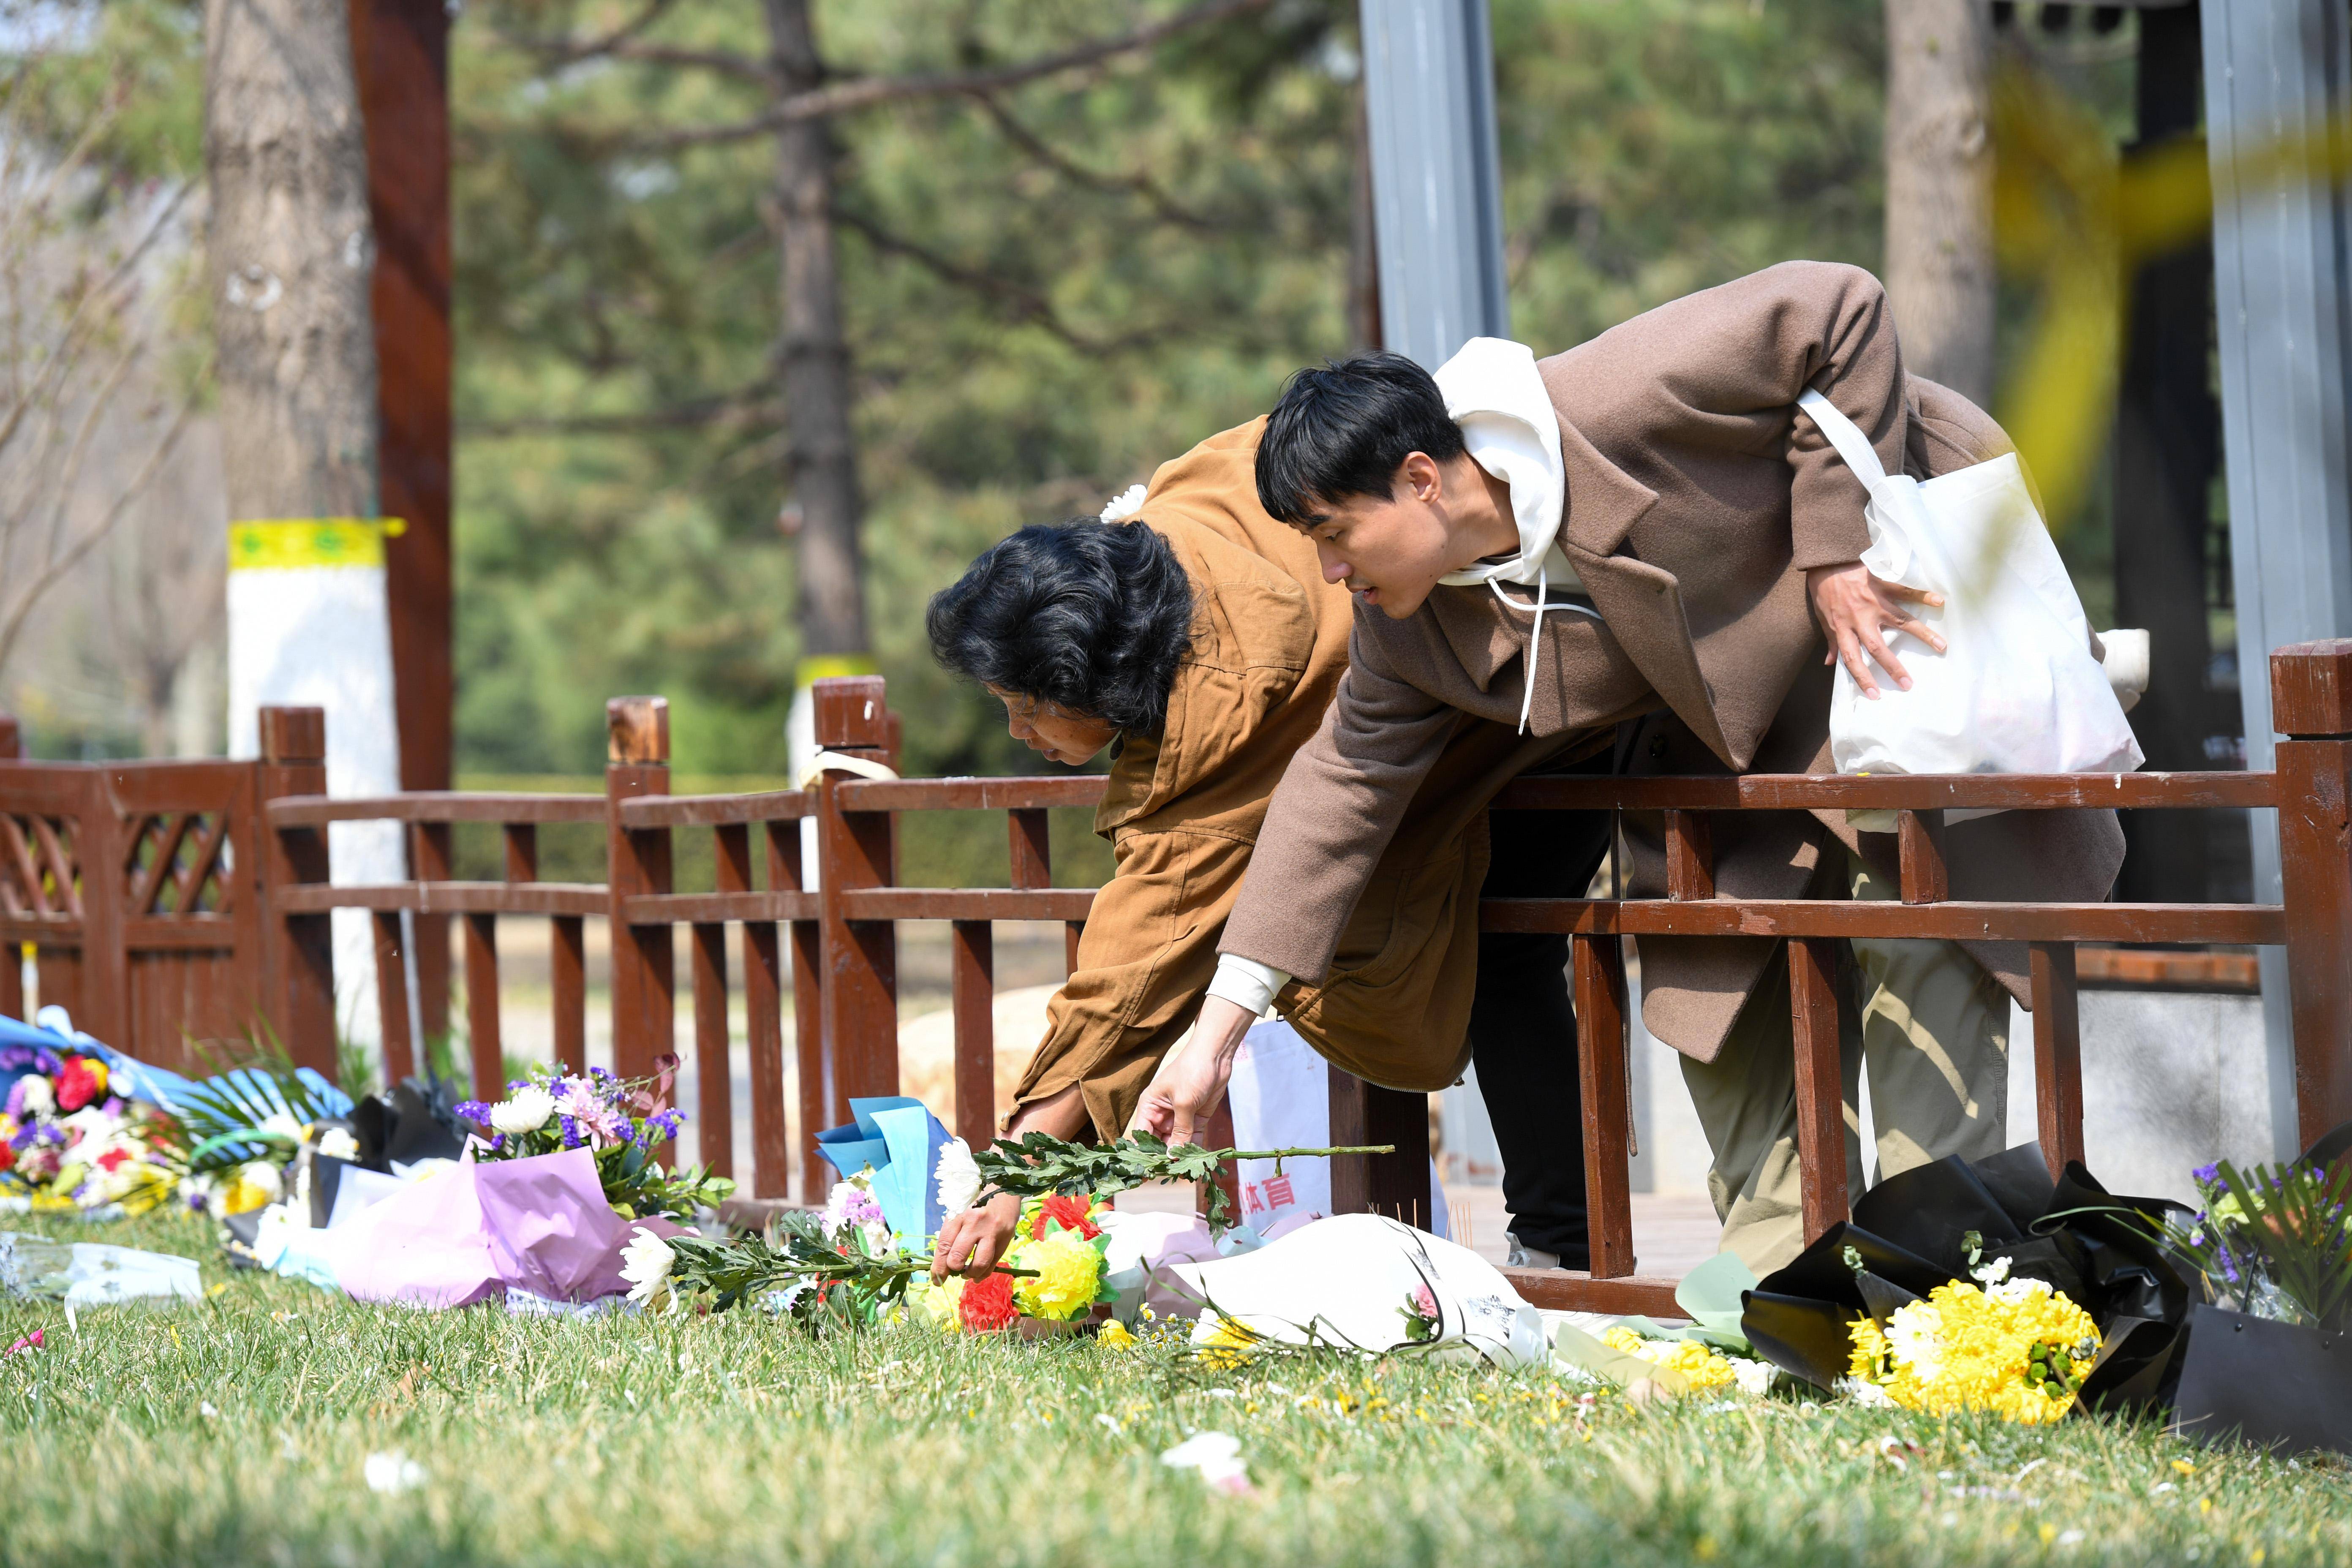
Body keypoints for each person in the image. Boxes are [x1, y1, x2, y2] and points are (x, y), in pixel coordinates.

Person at [1136, 261, 2125, 1275]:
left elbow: (1843, 306)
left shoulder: (1618, 396)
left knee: (1918, 948)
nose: (1334, 570)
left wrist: (1836, 548)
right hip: (1724, 735)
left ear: (1422, 479)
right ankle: (1792, 1318)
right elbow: (1335, 794)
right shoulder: (1411, 626)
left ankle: (1945, 1310)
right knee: (1729, 1001)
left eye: (1336, 535)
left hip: (1887, 634)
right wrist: (1216, 1034)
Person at [921, 421, 1611, 1280]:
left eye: (1028, 708)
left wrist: (1018, 1168)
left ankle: (1572, 1246)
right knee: (1505, 940)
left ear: (1095, 679)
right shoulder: (1180, 507)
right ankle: (1567, 1238)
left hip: (1568, 680)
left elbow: (1136, 962)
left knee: (1509, 945)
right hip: (1506, 648)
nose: (1021, 734)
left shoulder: (1216, 715)